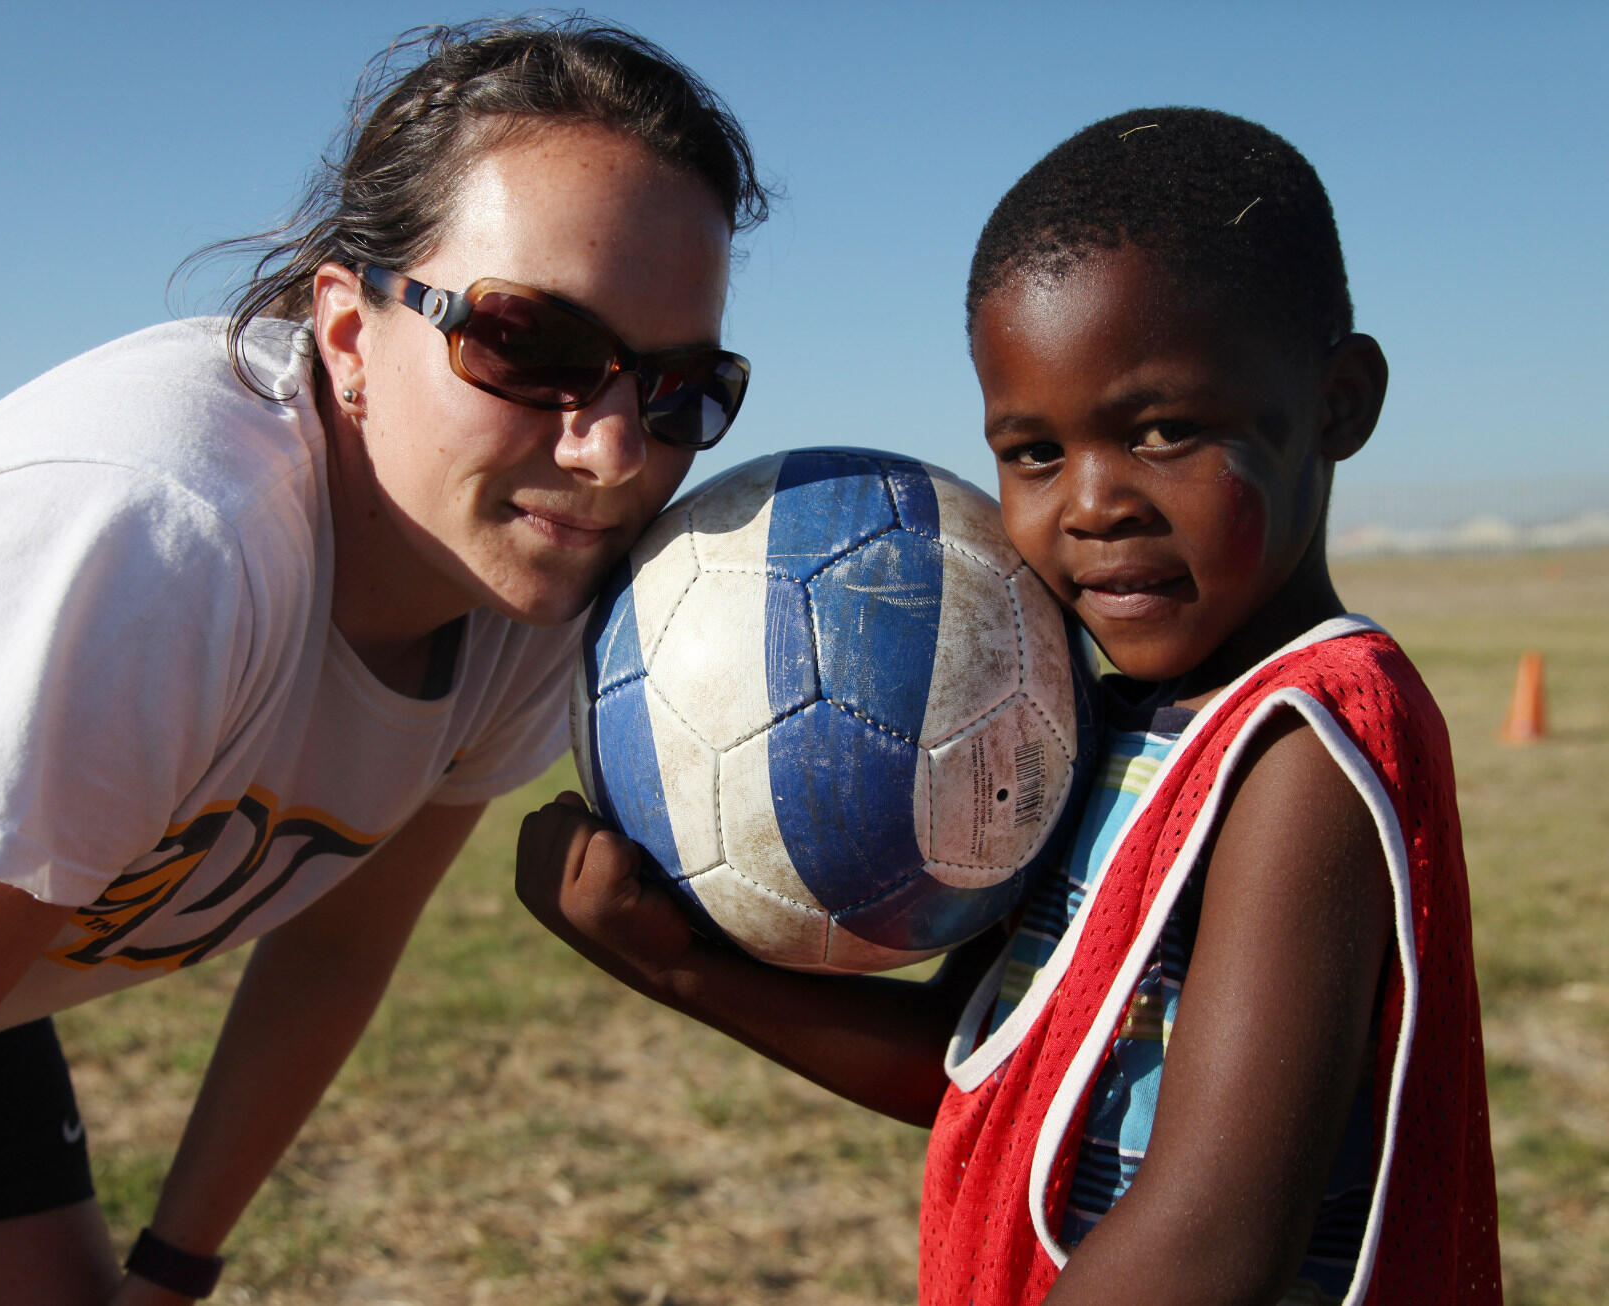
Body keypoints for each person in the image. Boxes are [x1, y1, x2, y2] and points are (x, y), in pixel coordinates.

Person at [0, 15, 767, 1304]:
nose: (609, 452)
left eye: (676, 389)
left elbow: (337, 946)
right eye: (531, 347)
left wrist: (175, 1266)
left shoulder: (534, 578)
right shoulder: (155, 549)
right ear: (348, 330)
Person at [517, 107, 1502, 1304]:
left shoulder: (1303, 747)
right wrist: (681, 971)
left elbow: (1211, 1241)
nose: (1093, 504)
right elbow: (980, 1070)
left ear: (1340, 403)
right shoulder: (1094, 720)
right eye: (1033, 452)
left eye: (1166, 431)